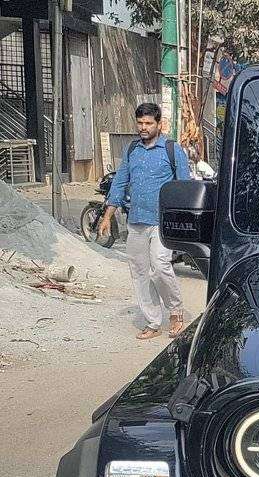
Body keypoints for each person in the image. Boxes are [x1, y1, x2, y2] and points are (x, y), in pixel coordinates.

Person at [99, 103, 191, 339]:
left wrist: (184, 221)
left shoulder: (172, 150)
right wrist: (107, 216)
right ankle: (152, 321)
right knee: (139, 272)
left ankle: (176, 313)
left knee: (160, 267)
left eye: (148, 123)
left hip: (162, 222)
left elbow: (184, 188)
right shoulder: (133, 150)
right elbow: (119, 183)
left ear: (159, 124)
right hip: (136, 221)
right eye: (140, 123)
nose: (143, 127)